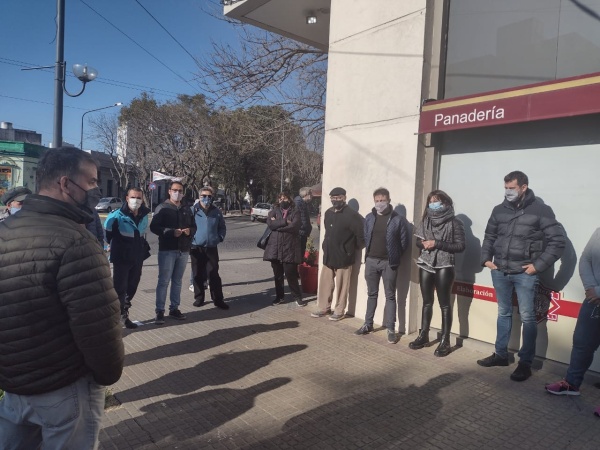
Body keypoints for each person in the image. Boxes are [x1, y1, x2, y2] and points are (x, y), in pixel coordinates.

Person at [0, 147, 124, 449]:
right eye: (92, 182)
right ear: (66, 184)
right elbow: (97, 327)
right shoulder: (78, 242)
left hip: (15, 385)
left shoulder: (3, 231)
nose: (96, 189)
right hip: (65, 389)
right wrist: (108, 375)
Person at [478, 171, 565, 381]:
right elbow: (489, 236)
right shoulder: (499, 210)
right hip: (500, 271)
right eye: (505, 188)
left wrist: (537, 266)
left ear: (523, 187)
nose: (508, 191)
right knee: (503, 313)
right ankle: (500, 354)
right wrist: (486, 259)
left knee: (528, 317)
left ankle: (525, 363)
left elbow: (558, 242)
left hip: (525, 274)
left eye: (512, 188)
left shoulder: (541, 211)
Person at [545, 228, 600, 415]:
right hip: (594, 299)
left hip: (597, 295)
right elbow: (585, 259)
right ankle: (571, 384)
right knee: (582, 342)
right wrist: (591, 288)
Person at [409, 190, 465, 356]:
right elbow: (418, 241)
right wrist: (423, 244)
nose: (433, 204)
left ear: (445, 203)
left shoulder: (455, 222)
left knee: (445, 304)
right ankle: (423, 335)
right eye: (431, 201)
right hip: (426, 263)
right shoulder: (426, 220)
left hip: (445, 265)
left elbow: (460, 246)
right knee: (427, 301)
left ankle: (445, 341)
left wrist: (437, 243)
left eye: (437, 201)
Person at [355, 188, 410, 344]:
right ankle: (368, 324)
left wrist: (394, 256)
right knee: (371, 294)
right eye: (377, 200)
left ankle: (391, 329)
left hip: (389, 263)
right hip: (371, 261)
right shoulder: (369, 218)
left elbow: (404, 243)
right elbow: (366, 236)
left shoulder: (398, 220)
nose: (380, 203)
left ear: (389, 200)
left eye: (382, 200)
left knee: (390, 296)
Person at [311, 187, 364, 321]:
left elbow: (360, 237)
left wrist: (349, 250)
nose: (336, 200)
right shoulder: (328, 213)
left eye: (338, 197)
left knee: (342, 286)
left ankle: (339, 310)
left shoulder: (353, 216)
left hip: (344, 258)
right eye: (333, 198)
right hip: (329, 255)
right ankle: (324, 307)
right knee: (325, 284)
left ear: (344, 198)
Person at [104, 187, 151, 329]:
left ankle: (124, 312)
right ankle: (116, 317)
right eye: (133, 197)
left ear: (142, 199)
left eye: (138, 198)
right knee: (119, 289)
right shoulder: (116, 216)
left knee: (132, 287)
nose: (136, 200)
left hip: (137, 258)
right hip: (121, 258)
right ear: (127, 198)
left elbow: (142, 235)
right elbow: (107, 235)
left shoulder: (144, 215)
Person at [150, 180, 196, 324]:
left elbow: (194, 226)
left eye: (180, 191)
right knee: (163, 281)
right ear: (169, 191)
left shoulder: (186, 208)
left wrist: (189, 231)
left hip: (183, 249)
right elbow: (154, 227)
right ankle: (159, 311)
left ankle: (174, 308)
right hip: (167, 250)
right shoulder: (162, 208)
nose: (178, 193)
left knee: (177, 281)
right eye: (175, 190)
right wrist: (170, 232)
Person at [263, 191, 306, 306]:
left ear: (289, 200)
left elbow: (295, 227)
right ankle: (279, 296)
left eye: (285, 198)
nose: (283, 201)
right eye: (280, 199)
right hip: (275, 247)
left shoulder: (295, 211)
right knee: (277, 274)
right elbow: (270, 224)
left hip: (289, 247)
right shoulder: (273, 212)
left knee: (290, 273)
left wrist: (278, 226)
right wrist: (285, 222)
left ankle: (297, 296)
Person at [191, 186, 229, 310]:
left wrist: (219, 237)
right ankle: (199, 298)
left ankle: (218, 299)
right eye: (204, 196)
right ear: (199, 197)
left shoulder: (216, 211)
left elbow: (222, 227)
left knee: (213, 274)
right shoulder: (193, 210)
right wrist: (191, 240)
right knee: (197, 274)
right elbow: (187, 226)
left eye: (209, 196)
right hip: (196, 247)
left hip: (212, 247)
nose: (206, 198)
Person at [294, 186, 313, 253]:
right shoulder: (298, 203)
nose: (312, 196)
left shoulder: (304, 203)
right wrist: (304, 228)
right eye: (310, 194)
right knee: (298, 255)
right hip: (299, 234)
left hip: (303, 233)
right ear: (306, 194)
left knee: (300, 254)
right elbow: (297, 219)